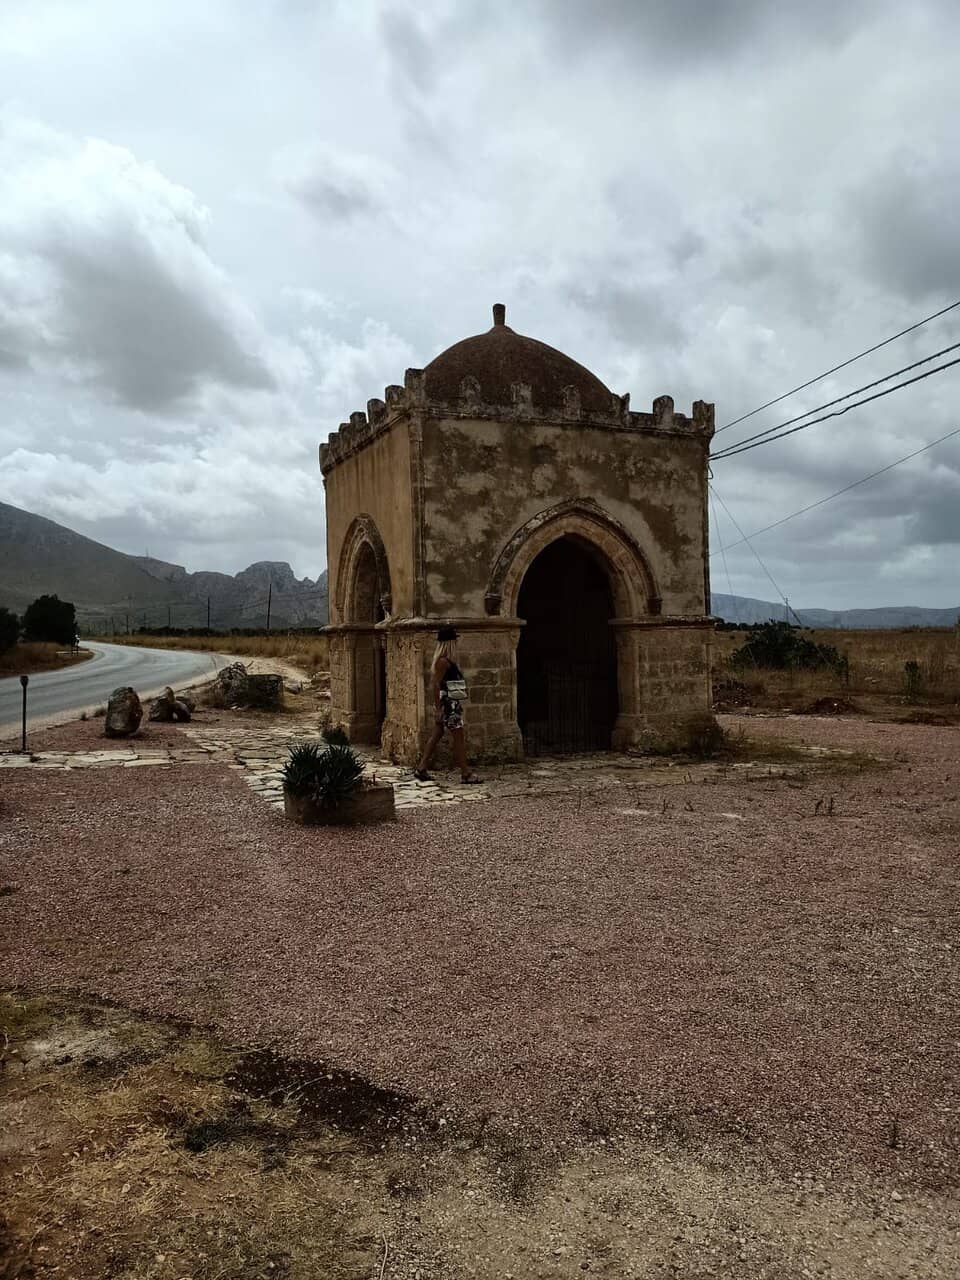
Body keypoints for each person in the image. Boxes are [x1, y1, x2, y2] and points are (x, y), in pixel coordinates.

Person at [414, 625, 482, 784]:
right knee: (458, 736)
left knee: (437, 734)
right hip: (449, 704)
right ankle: (466, 773)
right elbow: (435, 685)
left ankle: (422, 767)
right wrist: (438, 709)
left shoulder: (446, 662)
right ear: (450, 643)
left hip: (449, 702)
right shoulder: (443, 662)